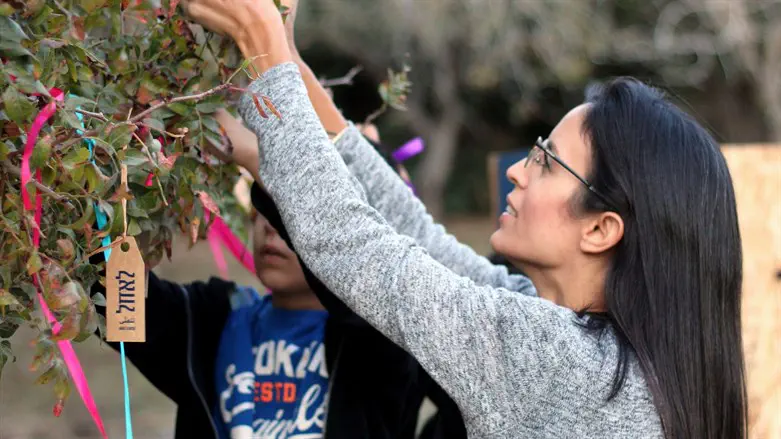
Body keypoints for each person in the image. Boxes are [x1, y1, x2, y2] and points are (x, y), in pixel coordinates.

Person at [182, 1, 749, 437]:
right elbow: (418, 239)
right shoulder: (606, 359)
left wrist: (263, 53)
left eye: (547, 162)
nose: (517, 173)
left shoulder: (560, 363)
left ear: (601, 229)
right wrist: (291, 62)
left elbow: (356, 250)